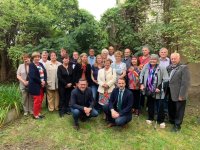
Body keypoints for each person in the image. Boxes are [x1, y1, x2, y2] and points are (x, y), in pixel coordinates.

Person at [140, 54, 169, 128]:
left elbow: (166, 79)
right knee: (150, 104)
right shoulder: (146, 66)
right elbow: (142, 75)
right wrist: (142, 84)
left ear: (157, 60)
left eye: (154, 59)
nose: (152, 61)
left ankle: (161, 121)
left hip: (158, 89)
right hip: (149, 89)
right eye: (151, 59)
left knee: (160, 105)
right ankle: (150, 118)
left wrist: (159, 87)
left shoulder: (161, 67)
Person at [167, 53, 190, 132]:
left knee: (179, 109)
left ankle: (177, 125)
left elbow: (185, 83)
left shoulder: (184, 68)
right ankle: (172, 120)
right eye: (172, 59)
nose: (173, 60)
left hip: (179, 93)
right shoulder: (169, 67)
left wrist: (182, 95)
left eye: (175, 58)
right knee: (172, 107)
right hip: (170, 92)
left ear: (179, 58)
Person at [29, 52, 47, 119]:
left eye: (38, 57)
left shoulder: (41, 64)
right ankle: (35, 115)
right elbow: (33, 76)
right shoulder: (31, 65)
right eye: (35, 57)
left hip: (42, 85)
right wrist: (41, 82)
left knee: (40, 100)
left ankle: (38, 112)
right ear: (33, 58)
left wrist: (44, 81)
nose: (37, 58)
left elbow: (45, 73)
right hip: (35, 85)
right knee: (37, 100)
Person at [159, 47, 170, 116]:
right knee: (157, 96)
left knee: (165, 97)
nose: (163, 53)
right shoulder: (157, 60)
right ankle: (157, 111)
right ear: (159, 53)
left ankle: (165, 112)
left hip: (167, 81)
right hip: (158, 81)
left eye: (164, 52)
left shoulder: (170, 61)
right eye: (162, 52)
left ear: (167, 53)